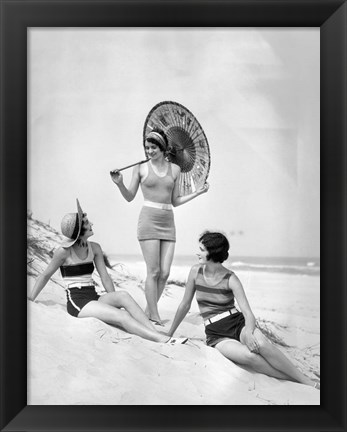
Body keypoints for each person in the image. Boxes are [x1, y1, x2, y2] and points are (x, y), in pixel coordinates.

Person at [167, 231, 320, 388]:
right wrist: (170, 332)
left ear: (212, 253)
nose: (197, 252)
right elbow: (184, 305)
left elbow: (247, 313)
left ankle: (305, 381)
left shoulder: (230, 278)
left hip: (237, 324)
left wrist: (248, 332)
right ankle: (299, 381)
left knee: (262, 345)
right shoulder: (195, 271)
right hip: (216, 334)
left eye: (201, 249)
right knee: (250, 357)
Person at [27, 199, 187, 344]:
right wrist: (31, 298)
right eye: (87, 223)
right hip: (78, 302)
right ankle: (160, 339)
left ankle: (154, 333)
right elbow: (46, 274)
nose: (92, 224)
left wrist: (114, 300)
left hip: (93, 296)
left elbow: (105, 277)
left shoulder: (94, 248)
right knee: (123, 316)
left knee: (123, 295)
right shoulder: (63, 251)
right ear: (80, 230)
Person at [110, 128, 209, 325]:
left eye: (153, 147)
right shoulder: (140, 168)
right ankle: (154, 317)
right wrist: (119, 183)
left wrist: (198, 192)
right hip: (148, 220)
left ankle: (148, 312)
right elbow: (130, 197)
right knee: (153, 272)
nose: (149, 151)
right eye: (147, 148)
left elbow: (175, 201)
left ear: (163, 148)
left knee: (165, 273)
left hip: (168, 221)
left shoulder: (175, 169)